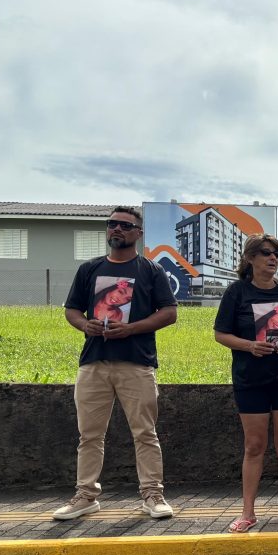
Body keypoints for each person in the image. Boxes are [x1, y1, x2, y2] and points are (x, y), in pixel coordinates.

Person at [53, 206, 179, 522]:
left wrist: (131, 328)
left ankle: (152, 495)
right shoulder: (89, 269)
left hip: (136, 363)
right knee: (89, 435)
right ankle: (85, 496)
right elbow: (72, 310)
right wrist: (85, 325)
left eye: (124, 225)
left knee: (145, 432)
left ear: (138, 232)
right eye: (112, 224)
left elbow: (169, 313)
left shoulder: (151, 270)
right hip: (94, 361)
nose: (116, 229)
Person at [213, 234, 278, 532]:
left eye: (277, 254)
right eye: (266, 253)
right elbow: (221, 334)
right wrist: (249, 346)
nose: (273, 258)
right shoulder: (237, 292)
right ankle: (248, 512)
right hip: (251, 378)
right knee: (254, 445)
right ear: (250, 258)